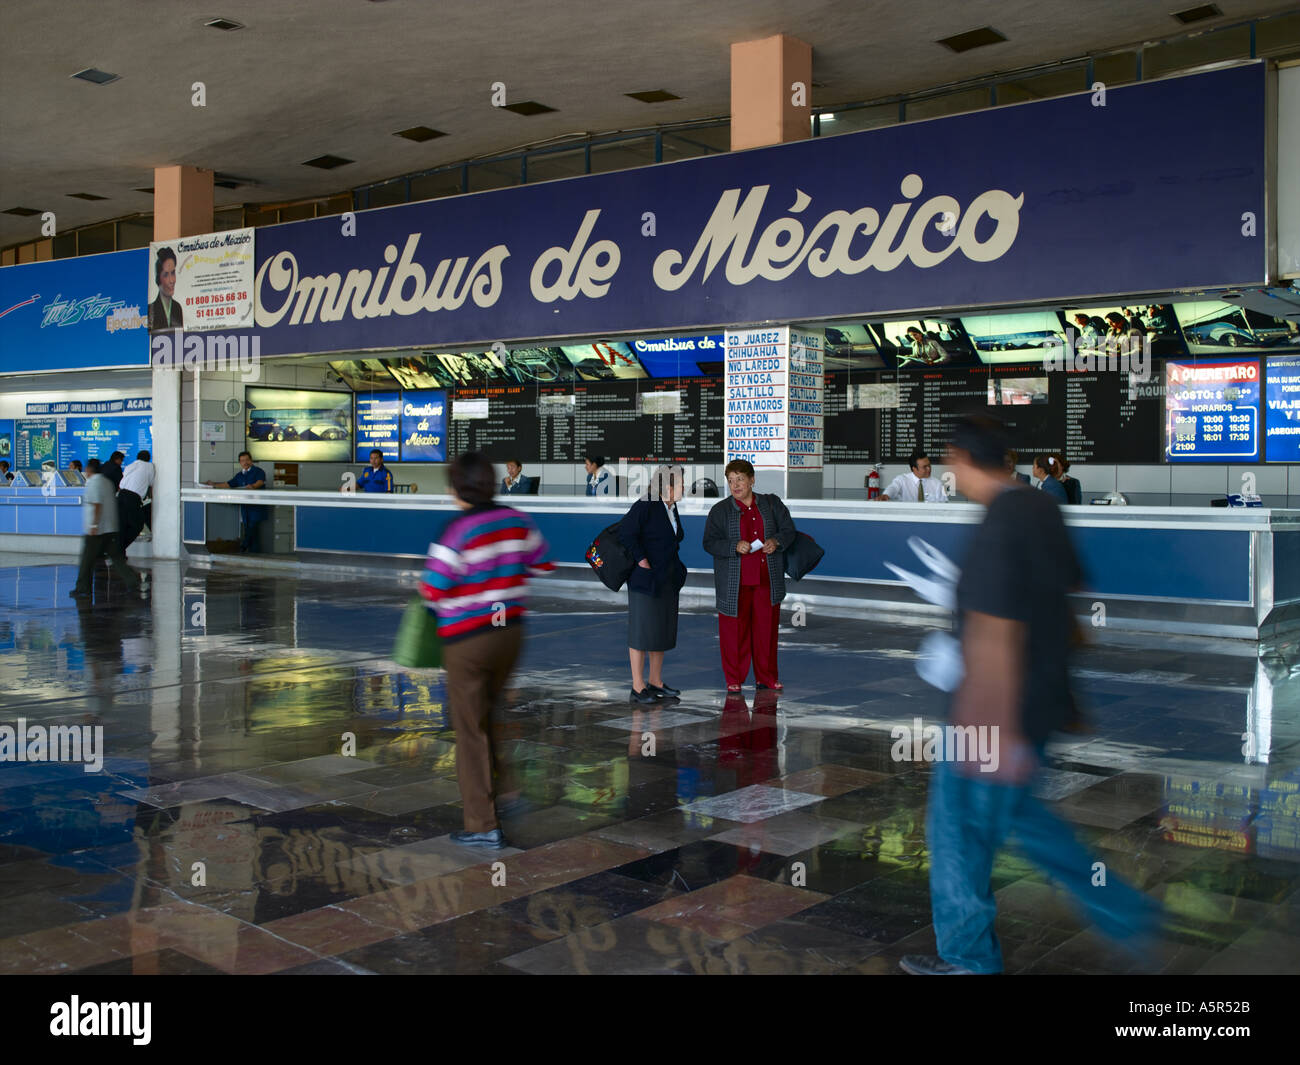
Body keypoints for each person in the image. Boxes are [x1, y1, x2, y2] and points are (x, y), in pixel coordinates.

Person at [901, 416, 1157, 975]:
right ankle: (1127, 913)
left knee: (956, 834)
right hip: (1035, 707)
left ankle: (968, 959)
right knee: (1025, 825)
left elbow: (997, 633)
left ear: (963, 459)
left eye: (950, 462)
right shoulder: (1040, 507)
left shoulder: (1000, 521)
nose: (949, 472)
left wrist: (988, 731)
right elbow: (1069, 608)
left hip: (992, 718)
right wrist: (1061, 694)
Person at [419, 452, 553, 848]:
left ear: (456, 488)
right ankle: (507, 793)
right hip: (509, 634)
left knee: (469, 729)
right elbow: (543, 563)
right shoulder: (516, 519)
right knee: (487, 712)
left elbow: (432, 588)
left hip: (468, 641)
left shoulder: (456, 530)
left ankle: (482, 824)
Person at [702, 459, 798, 692]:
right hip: (734, 583)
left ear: (752, 480)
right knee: (733, 632)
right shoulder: (720, 510)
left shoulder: (771, 504)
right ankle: (733, 679)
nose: (735, 485)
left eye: (740, 479)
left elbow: (789, 530)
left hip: (767, 580)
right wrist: (734, 546)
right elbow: (709, 543)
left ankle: (766, 677)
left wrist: (776, 541)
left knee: (766, 631)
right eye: (731, 480)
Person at [621, 465, 687, 704]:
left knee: (660, 629)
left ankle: (655, 681)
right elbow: (626, 533)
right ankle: (638, 686)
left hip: (666, 579)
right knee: (642, 630)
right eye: (680, 483)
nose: (684, 488)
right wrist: (642, 560)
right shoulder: (646, 505)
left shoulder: (670, 507)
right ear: (667, 486)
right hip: (645, 579)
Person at [71, 458, 144, 600]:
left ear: (89, 469)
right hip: (111, 528)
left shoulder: (93, 483)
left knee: (87, 560)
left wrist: (93, 525)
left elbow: (97, 504)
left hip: (97, 530)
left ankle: (82, 588)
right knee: (116, 558)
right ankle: (132, 582)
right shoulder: (107, 482)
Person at [205, 452, 269, 552]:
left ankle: (243, 546)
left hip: (256, 507)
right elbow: (228, 484)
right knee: (250, 529)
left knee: (252, 527)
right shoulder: (239, 475)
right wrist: (214, 485)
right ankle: (253, 553)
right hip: (245, 506)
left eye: (247, 460)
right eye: (242, 461)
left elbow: (260, 482)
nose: (245, 462)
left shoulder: (258, 471)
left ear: (251, 460)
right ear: (240, 463)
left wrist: (252, 487)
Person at [118, 450, 154, 549]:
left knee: (122, 525)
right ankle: (120, 548)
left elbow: (122, 483)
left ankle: (119, 551)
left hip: (121, 495)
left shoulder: (130, 466)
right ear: (148, 458)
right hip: (133, 498)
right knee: (137, 525)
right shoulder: (149, 466)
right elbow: (151, 483)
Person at [880, 450, 948, 502]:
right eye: (925, 467)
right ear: (914, 469)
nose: (929, 469)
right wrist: (886, 495)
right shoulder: (902, 480)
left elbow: (945, 505)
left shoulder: (937, 484)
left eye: (929, 465)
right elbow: (893, 488)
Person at [148, 246, 184, 332]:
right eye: (166, 275)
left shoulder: (177, 308)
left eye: (173, 273)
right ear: (158, 278)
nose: (171, 280)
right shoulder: (151, 309)